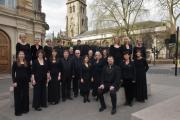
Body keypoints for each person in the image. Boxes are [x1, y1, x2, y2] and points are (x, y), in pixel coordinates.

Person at [12, 51, 31, 116]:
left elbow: (29, 72)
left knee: (25, 95)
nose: (21, 55)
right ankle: (18, 111)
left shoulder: (26, 62)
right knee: (18, 96)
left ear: (24, 55)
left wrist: (29, 80)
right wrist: (14, 82)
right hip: (18, 82)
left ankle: (25, 109)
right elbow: (13, 73)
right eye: (20, 54)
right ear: (18, 55)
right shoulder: (15, 62)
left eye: (23, 54)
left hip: (25, 82)